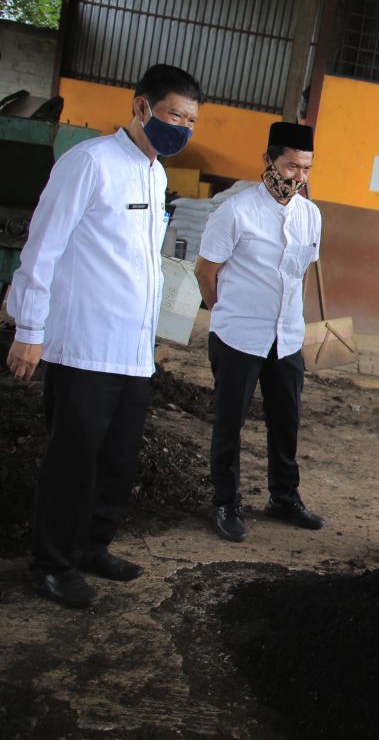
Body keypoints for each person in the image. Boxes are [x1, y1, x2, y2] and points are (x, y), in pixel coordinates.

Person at [5, 64, 203, 608]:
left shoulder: (156, 173)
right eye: (172, 115)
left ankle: (92, 546)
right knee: (73, 459)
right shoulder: (89, 164)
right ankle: (52, 563)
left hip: (133, 351)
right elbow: (42, 248)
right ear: (141, 107)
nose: (181, 128)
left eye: (190, 120)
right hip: (85, 346)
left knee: (117, 459)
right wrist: (28, 328)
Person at [194, 122, 324, 542]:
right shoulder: (235, 212)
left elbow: (303, 270)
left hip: (286, 337)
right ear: (268, 161)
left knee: (286, 421)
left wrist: (293, 318)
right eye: (290, 166)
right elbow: (205, 271)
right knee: (230, 422)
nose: (297, 178)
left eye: (305, 169)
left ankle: (283, 498)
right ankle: (225, 502)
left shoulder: (311, 214)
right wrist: (224, 311)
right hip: (238, 337)